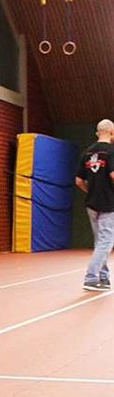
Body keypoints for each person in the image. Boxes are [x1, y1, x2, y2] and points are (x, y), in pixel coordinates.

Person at [75, 118, 114, 292]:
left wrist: (90, 191)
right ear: (112, 134)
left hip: (91, 203)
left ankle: (103, 277)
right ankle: (91, 277)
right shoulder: (111, 152)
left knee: (100, 241)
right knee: (106, 242)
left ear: (97, 133)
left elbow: (78, 181)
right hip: (108, 203)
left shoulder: (87, 153)